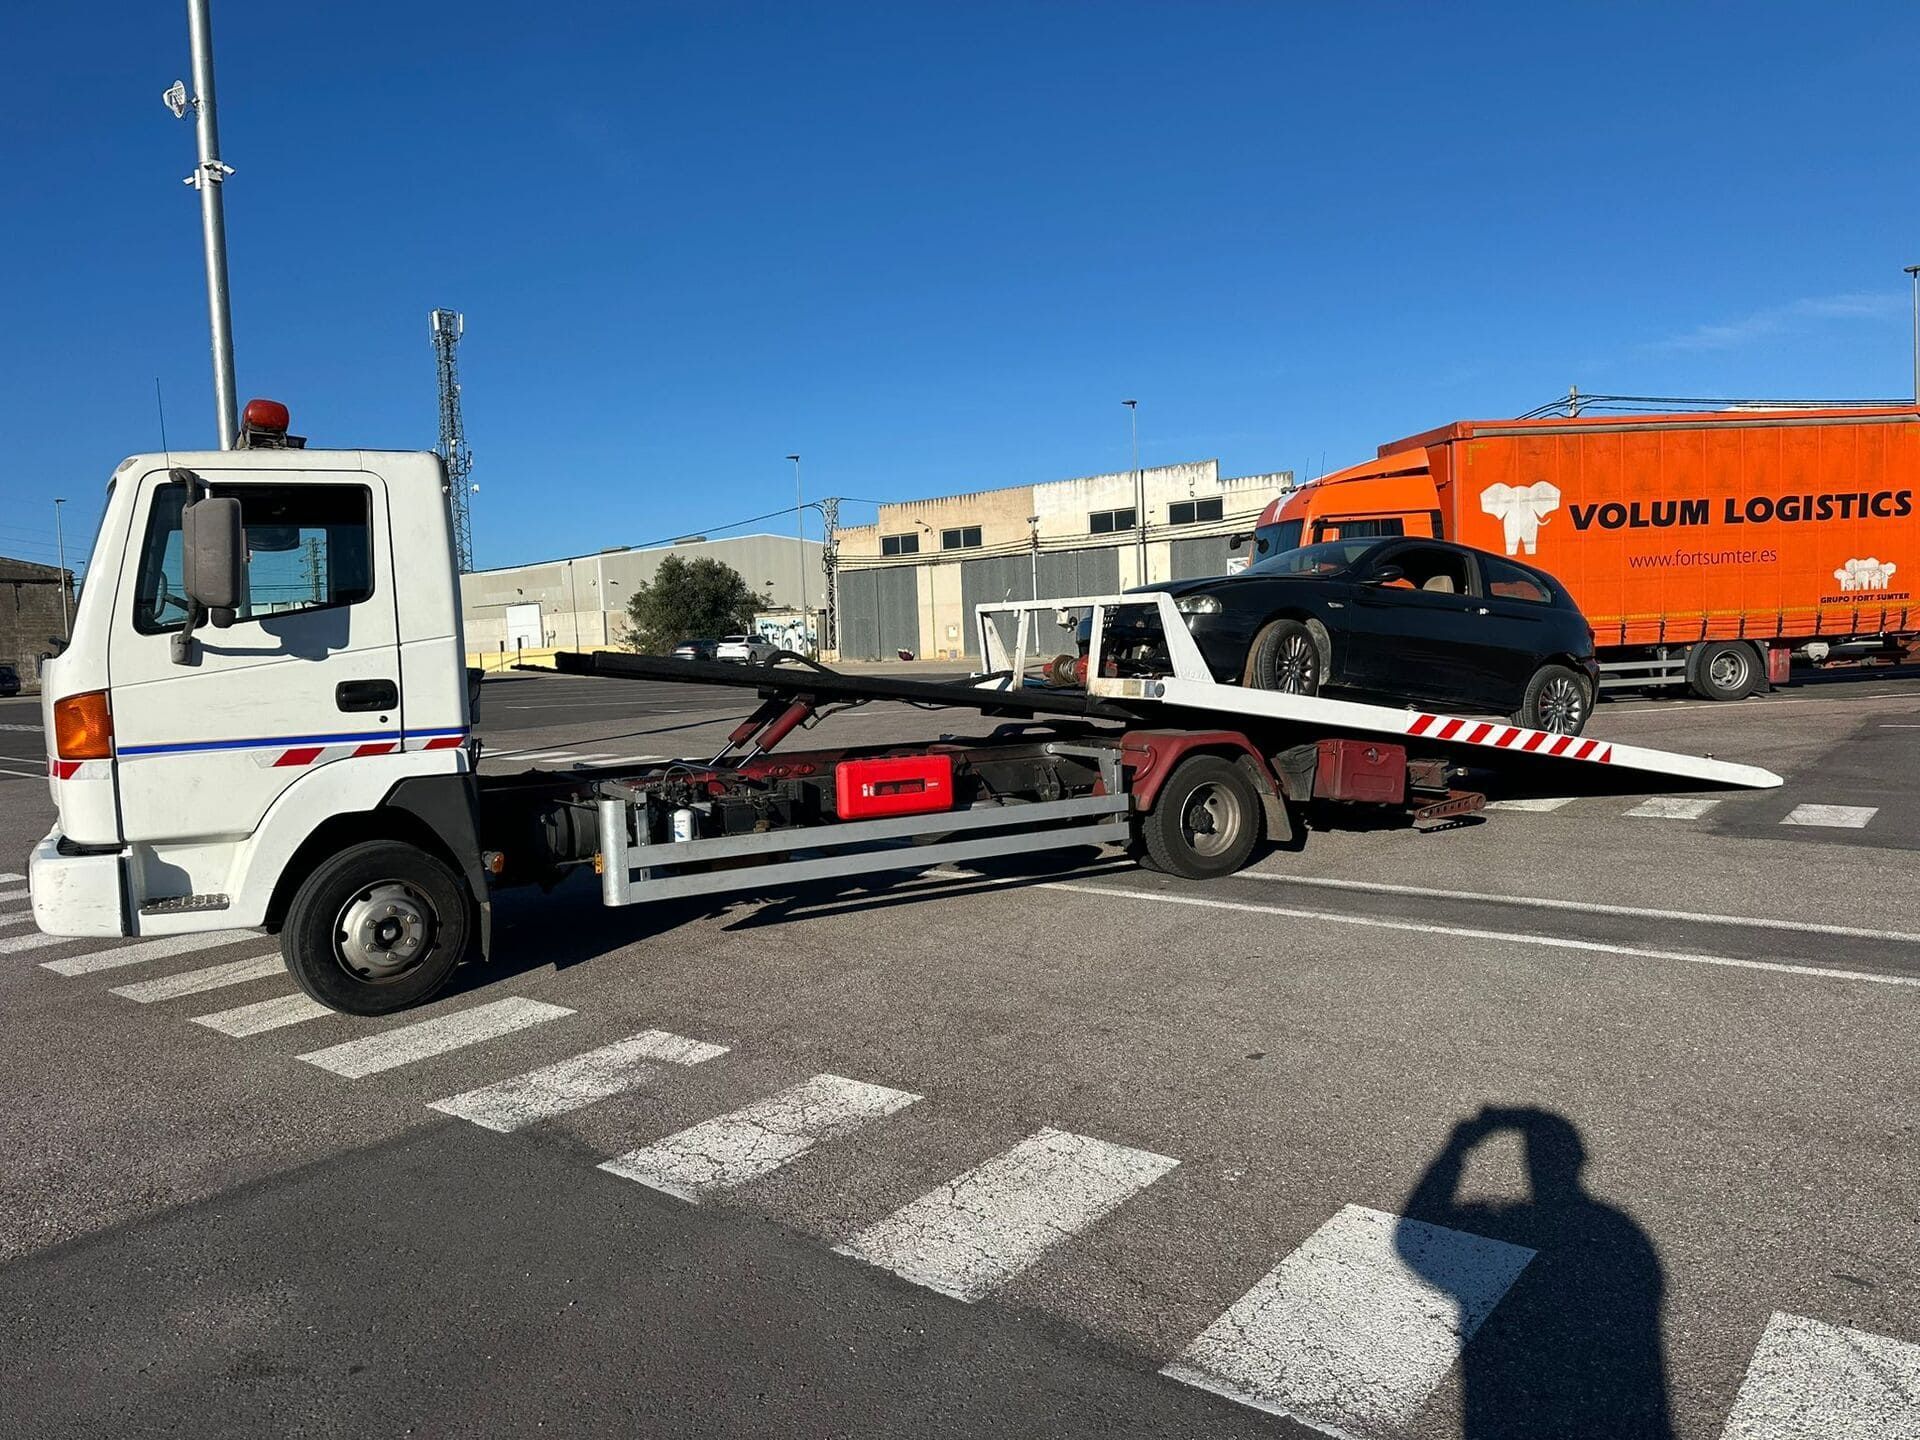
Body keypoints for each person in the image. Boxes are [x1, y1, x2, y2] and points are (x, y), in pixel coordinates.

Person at [1400, 1106, 1674, 1439]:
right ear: (1578, 1160)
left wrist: (1457, 1149)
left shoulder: (1510, 1228)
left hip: (1504, 1417)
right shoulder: (1616, 1229)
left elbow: (1416, 1236)